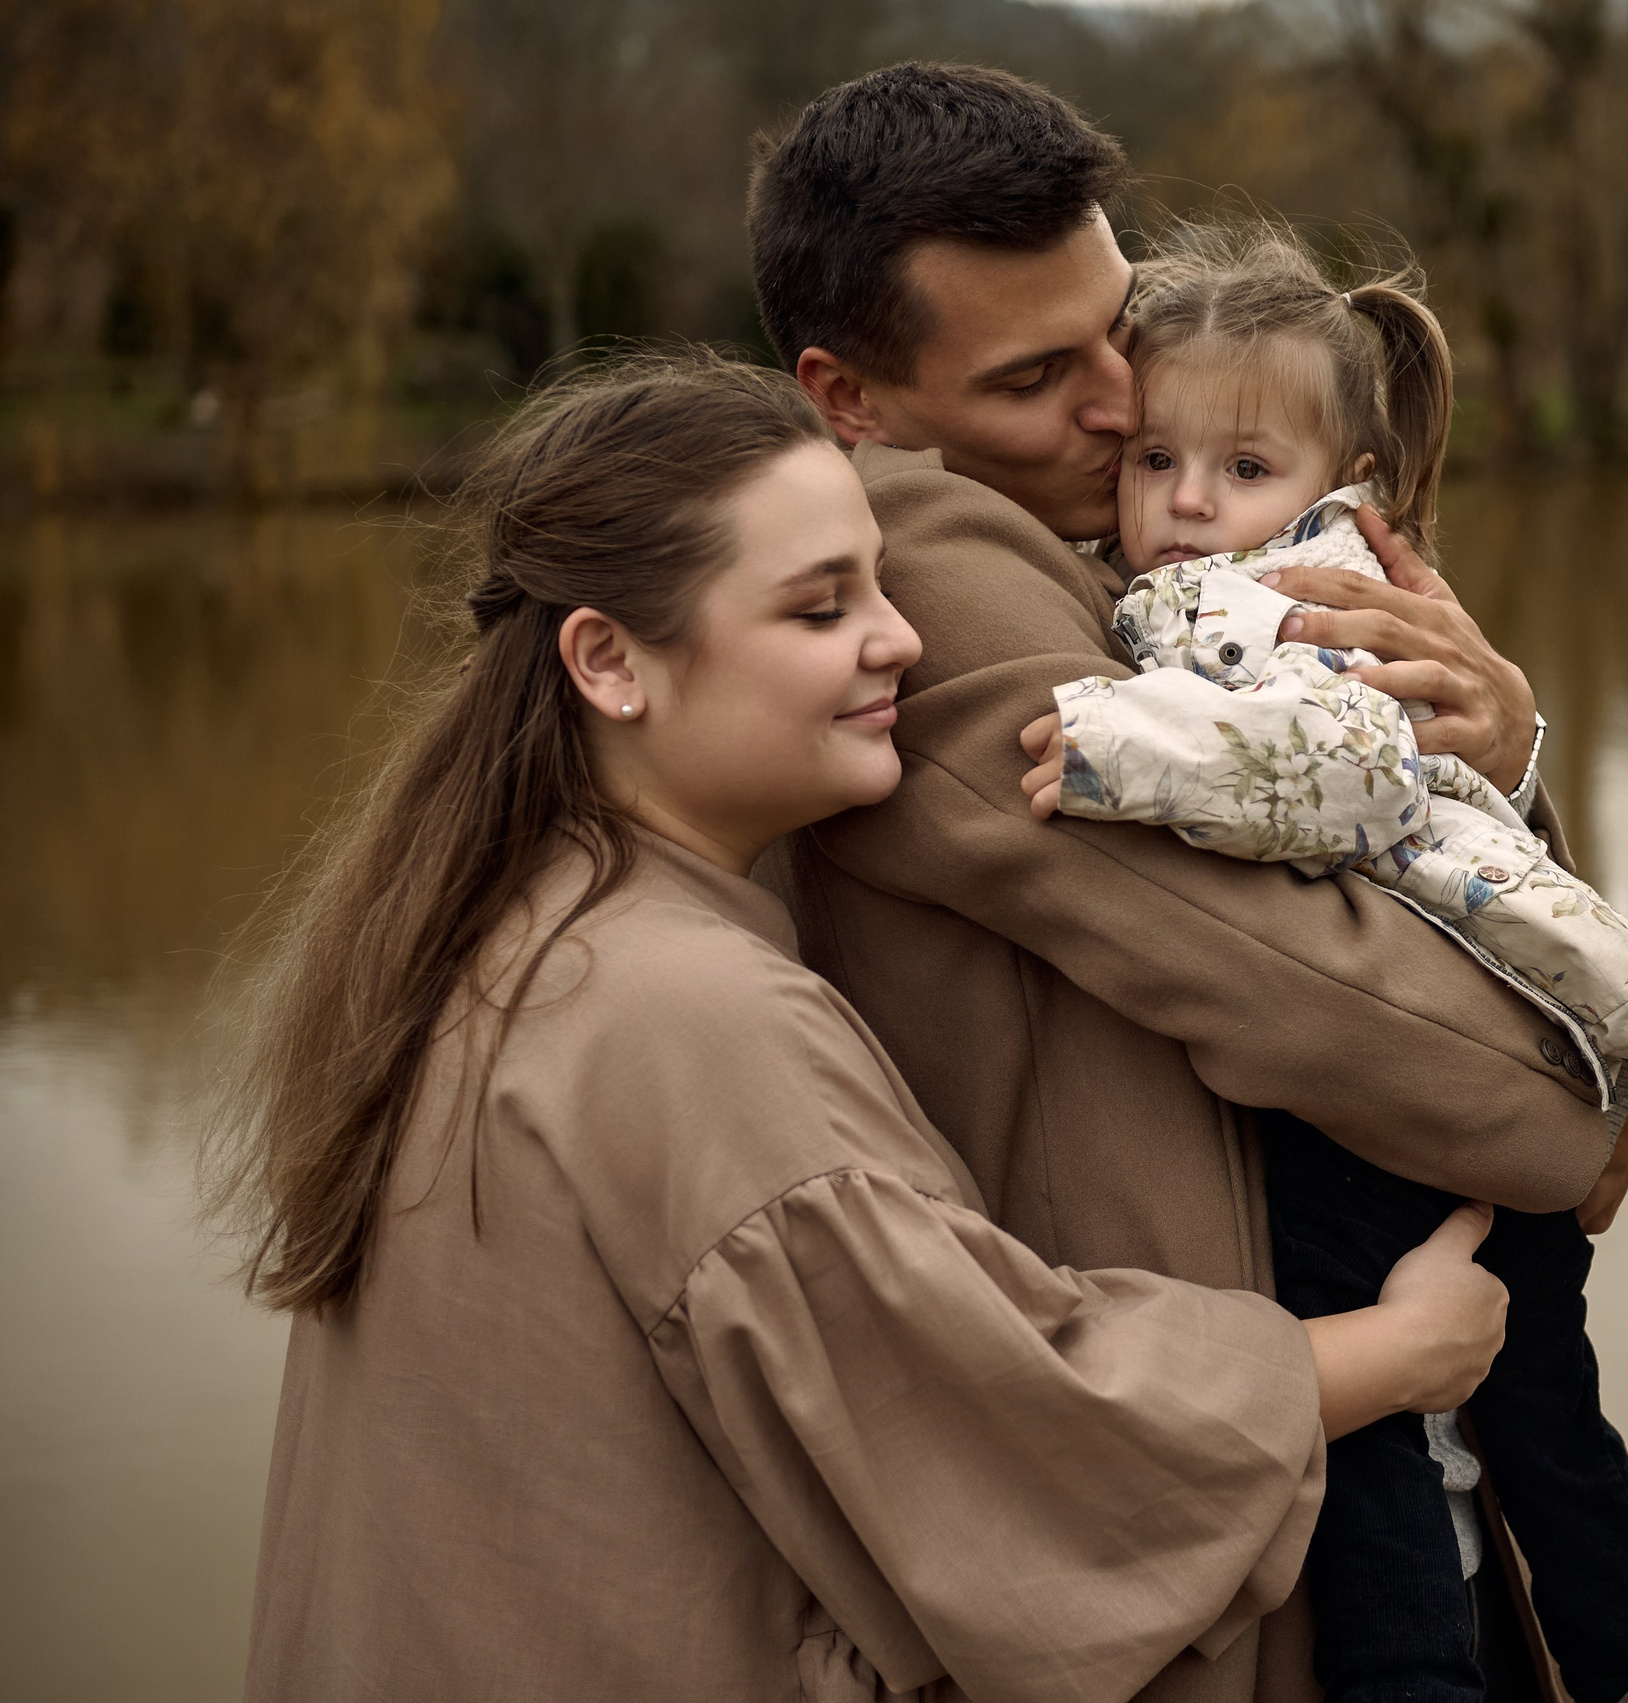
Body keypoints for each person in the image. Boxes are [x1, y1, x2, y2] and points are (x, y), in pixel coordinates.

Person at [208, 354, 1513, 1703]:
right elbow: (1015, 1432)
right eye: (823, 607)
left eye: (882, 587)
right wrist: (1397, 1351)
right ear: (609, 662)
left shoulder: (500, 926)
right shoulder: (684, 1016)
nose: (899, 637)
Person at [748, 64, 1628, 1699]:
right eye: (1042, 374)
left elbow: (1412, 843)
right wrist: (1584, 1103)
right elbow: (1280, 959)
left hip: (1317, 1426)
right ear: (850, 399)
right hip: (1220, 1510)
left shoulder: (1151, 558)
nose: (1120, 402)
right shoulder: (928, 565)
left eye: (1118, 323)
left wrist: (1501, 741)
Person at [1020, 223, 1628, 1703]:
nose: (1189, 501)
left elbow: (1337, 773)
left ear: (1340, 490)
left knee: (1384, 1431)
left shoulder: (1265, 605)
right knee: (1542, 1395)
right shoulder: (1282, 577)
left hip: (1382, 1093)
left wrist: (1104, 744)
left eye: (1243, 470)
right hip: (1476, 1041)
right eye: (1157, 462)